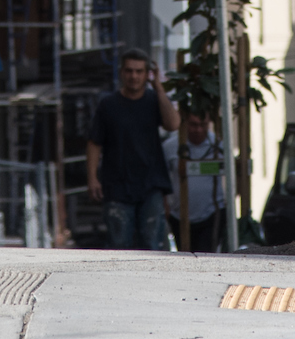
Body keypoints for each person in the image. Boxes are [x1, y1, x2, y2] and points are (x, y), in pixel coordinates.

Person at [86, 48, 179, 250]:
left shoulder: (154, 100)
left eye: (139, 71)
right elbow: (94, 142)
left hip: (151, 185)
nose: (134, 76)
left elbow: (173, 124)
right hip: (117, 186)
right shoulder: (108, 105)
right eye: (129, 71)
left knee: (152, 245)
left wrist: (159, 88)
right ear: (121, 72)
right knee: (119, 246)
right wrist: (92, 178)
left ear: (147, 74)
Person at [165, 110, 226, 253]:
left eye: (203, 125)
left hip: (211, 214)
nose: (198, 129)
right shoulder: (170, 147)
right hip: (179, 216)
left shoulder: (219, 146)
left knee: (206, 255)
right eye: (193, 124)